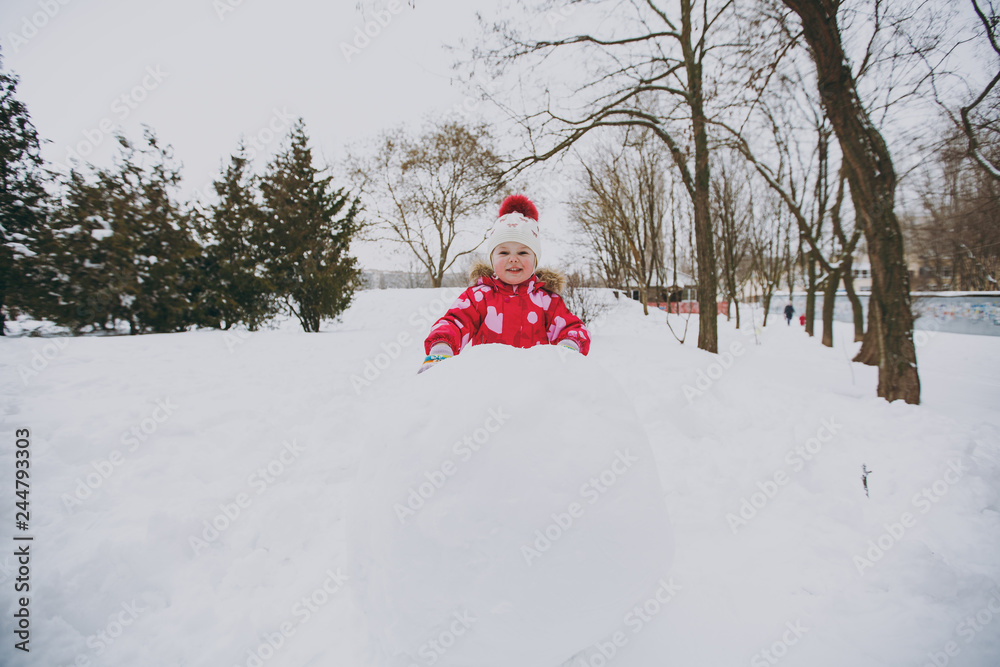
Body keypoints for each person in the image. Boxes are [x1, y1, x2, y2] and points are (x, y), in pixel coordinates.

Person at [419, 194, 591, 373]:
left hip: (535, 382)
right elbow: (455, 322)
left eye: (523, 253)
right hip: (486, 379)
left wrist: (567, 351)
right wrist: (441, 350)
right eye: (503, 253)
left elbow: (572, 328)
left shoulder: (547, 300)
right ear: (492, 259)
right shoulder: (479, 297)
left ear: (535, 259)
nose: (513, 259)